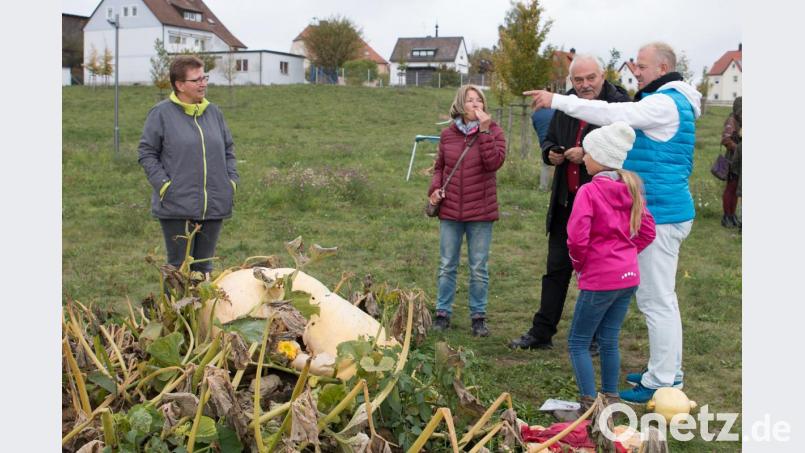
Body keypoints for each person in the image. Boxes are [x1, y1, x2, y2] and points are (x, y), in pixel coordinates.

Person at [524, 41, 702, 403]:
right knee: (659, 297)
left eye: (643, 65)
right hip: (666, 211)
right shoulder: (673, 101)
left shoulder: (664, 102)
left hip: (663, 214)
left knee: (657, 300)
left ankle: (664, 379)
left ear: (664, 66)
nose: (636, 71)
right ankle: (665, 369)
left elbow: (608, 113)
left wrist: (556, 99)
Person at [509, 55, 631, 351]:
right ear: (570, 81)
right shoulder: (566, 103)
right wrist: (550, 152)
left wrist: (586, 152)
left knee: (598, 273)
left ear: (603, 75)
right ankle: (542, 332)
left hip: (603, 202)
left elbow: (625, 147)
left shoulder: (620, 104)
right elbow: (550, 137)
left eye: (591, 78)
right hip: (567, 200)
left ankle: (595, 337)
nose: (585, 85)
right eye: (578, 80)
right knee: (556, 267)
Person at [565, 121, 655, 411]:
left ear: (601, 157)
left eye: (588, 153)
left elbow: (577, 238)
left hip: (599, 278)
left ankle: (590, 405)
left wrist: (581, 264)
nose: (584, 158)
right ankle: (612, 397)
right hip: (628, 277)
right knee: (609, 338)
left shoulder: (589, 192)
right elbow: (648, 231)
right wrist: (626, 254)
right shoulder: (632, 187)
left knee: (578, 341)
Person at [138, 55, 239, 281]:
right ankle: (175, 316)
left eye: (204, 77)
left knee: (203, 270)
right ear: (179, 85)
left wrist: (230, 182)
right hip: (177, 205)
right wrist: (165, 186)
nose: (203, 83)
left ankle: (200, 316)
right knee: (179, 270)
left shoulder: (214, 113)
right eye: (196, 80)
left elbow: (228, 150)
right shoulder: (161, 113)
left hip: (214, 205)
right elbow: (146, 153)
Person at [429, 84, 507, 337]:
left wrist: (484, 133)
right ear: (461, 105)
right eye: (470, 100)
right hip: (450, 210)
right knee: (447, 264)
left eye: (479, 100)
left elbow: (494, 163)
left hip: (481, 211)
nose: (476, 104)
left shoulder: (494, 131)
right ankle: (442, 313)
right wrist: (434, 188)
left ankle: (478, 317)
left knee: (478, 267)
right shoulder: (448, 135)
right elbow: (439, 166)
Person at [720, 96, 742, 228]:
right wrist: (739, 148)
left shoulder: (741, 121)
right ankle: (726, 216)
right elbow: (726, 140)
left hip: (740, 160)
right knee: (730, 188)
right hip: (732, 159)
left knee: (736, 189)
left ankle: (732, 215)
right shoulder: (732, 120)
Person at [531, 103, 555, 191]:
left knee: (545, 164)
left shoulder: (535, 115)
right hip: (557, 139)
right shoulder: (555, 111)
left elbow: (536, 128)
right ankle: (556, 187)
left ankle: (543, 186)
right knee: (560, 165)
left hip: (544, 142)